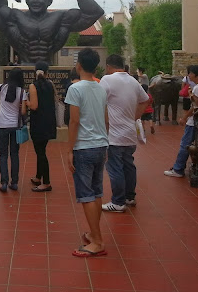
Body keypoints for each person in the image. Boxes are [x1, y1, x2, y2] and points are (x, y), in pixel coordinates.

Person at [0, 0, 104, 64]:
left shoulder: (61, 18)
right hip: (23, 65)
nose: (36, 1)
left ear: (49, 0)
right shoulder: (14, 17)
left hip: (48, 67)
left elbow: (94, 12)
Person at [65, 48, 109, 257]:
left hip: (84, 146)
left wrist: (69, 150)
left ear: (78, 66)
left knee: (87, 195)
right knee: (97, 192)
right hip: (100, 145)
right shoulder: (101, 88)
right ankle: (93, 233)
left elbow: (74, 121)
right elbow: (106, 119)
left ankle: (98, 241)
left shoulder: (75, 89)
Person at [100, 54, 149, 212]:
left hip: (114, 134)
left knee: (115, 167)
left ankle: (118, 201)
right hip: (129, 132)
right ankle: (129, 197)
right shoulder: (133, 81)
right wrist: (135, 116)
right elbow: (145, 99)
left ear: (108, 66)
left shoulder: (107, 80)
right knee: (128, 165)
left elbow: (99, 101)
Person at [164, 65, 198, 178]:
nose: (189, 75)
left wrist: (184, 117)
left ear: (197, 75)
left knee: (185, 145)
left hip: (194, 121)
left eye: (190, 73)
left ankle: (178, 169)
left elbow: (194, 106)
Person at [0, 68, 27, 192]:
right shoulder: (22, 92)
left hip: (2, 125)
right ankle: (14, 182)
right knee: (14, 154)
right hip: (15, 126)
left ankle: (4, 182)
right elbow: (24, 111)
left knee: (3, 154)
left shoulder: (2, 88)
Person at [28, 61, 57, 192]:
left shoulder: (33, 86)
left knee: (40, 153)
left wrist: (26, 102)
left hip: (38, 123)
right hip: (49, 122)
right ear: (47, 73)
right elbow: (55, 99)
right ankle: (38, 177)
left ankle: (47, 182)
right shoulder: (50, 84)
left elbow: (34, 106)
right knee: (41, 150)